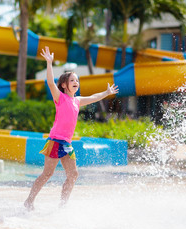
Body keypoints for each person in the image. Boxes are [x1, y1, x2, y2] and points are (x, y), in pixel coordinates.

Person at [24, 46, 119, 210]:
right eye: (72, 80)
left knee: (73, 174)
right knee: (47, 174)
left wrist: (106, 92)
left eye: (77, 80)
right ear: (64, 85)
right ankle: (29, 201)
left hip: (67, 144)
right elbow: (49, 82)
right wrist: (49, 63)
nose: (76, 83)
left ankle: (62, 205)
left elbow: (93, 97)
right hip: (55, 141)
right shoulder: (59, 97)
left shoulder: (77, 100)